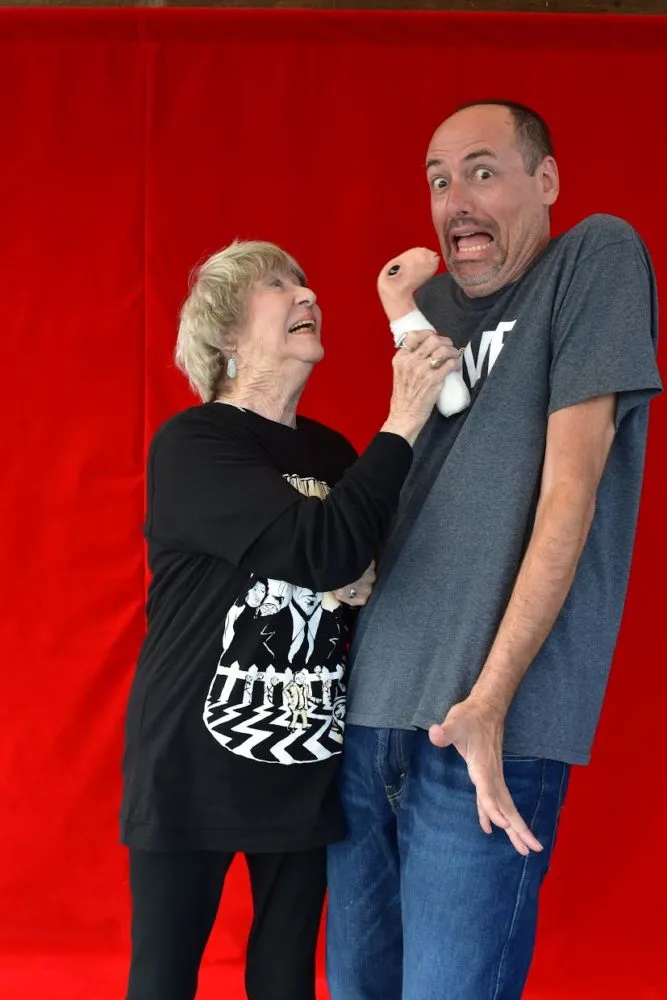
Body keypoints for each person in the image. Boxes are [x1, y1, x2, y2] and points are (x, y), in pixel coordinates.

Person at [325, 100, 663, 1000]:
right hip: (369, 711)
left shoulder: (591, 259)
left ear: (544, 181)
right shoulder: (433, 310)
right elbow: (403, 470)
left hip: (484, 726)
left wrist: (490, 699)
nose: (455, 200)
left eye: (482, 171)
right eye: (438, 181)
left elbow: (568, 496)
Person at [119, 238, 461, 1000]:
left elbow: (362, 557)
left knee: (284, 981)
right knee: (162, 981)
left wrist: (343, 562)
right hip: (193, 760)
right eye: (277, 285)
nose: (306, 295)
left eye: (304, 282)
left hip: (302, 756)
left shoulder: (332, 453)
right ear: (227, 336)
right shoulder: (194, 443)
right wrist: (403, 416)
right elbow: (329, 548)